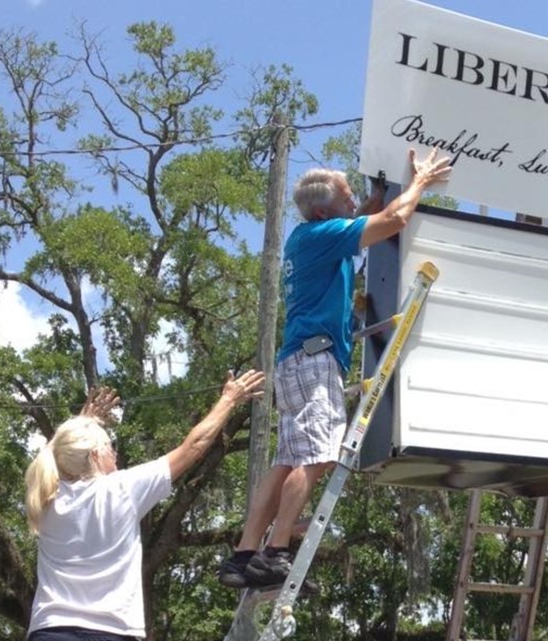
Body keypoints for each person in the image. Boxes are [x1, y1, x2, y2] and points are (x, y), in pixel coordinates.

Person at [217, 148, 452, 589]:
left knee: (287, 461)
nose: (354, 202)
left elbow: (362, 217)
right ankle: (275, 552)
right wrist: (419, 181)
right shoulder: (324, 236)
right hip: (315, 362)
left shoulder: (307, 237)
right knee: (316, 457)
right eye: (347, 198)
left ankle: (244, 556)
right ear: (325, 212)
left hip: (296, 359)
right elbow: (394, 220)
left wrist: (374, 196)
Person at [24, 371, 266, 641]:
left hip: (49, 630)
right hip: (111, 633)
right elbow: (194, 446)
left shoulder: (44, 499)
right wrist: (229, 399)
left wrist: (83, 424)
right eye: (110, 447)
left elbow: (57, 452)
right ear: (95, 455)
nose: (115, 454)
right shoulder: (122, 489)